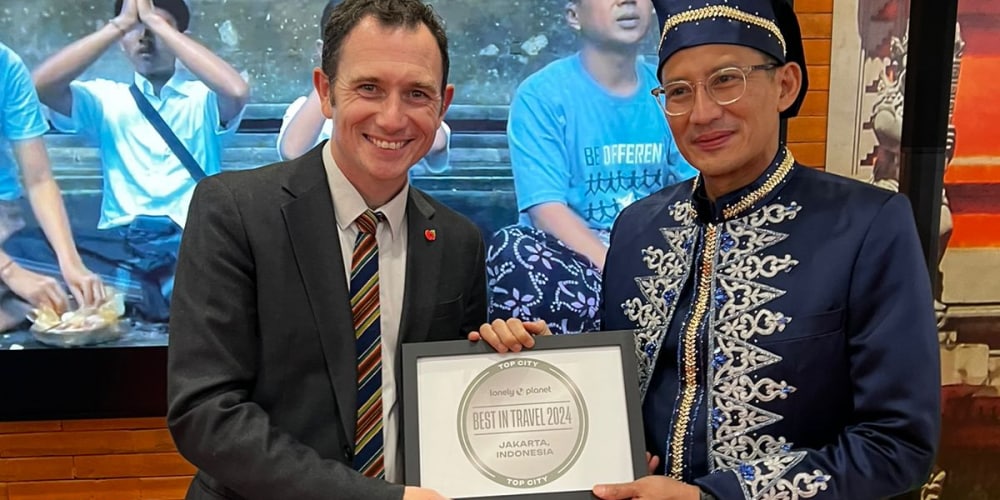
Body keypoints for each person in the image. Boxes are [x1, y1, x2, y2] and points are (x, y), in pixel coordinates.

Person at [472, 0, 941, 498]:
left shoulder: (867, 225)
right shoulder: (638, 229)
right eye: (678, 91)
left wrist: (713, 497)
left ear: (785, 85)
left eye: (726, 80)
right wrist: (540, 363)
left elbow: (898, 443)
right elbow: (618, 400)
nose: (702, 113)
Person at [166, 0, 485, 498]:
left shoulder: (457, 241)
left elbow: (453, 403)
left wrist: (500, 355)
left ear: (442, 105)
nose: (392, 117)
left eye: (417, 93)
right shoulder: (233, 211)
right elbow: (206, 414)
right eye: (369, 88)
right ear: (325, 91)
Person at [26, 0, 249, 322]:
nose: (145, 37)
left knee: (208, 268)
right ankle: (154, 294)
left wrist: (154, 23)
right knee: (26, 248)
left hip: (188, 241)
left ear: (180, 39)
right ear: (121, 42)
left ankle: (148, 295)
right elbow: (40, 86)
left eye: (158, 27)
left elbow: (237, 91)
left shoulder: (203, 99)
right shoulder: (105, 99)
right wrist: (120, 24)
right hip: (122, 246)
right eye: (136, 29)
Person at [486, 0, 696, 335]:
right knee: (513, 247)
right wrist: (617, 271)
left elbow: (696, 190)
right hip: (573, 263)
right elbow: (546, 209)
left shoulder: (672, 90)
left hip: (656, 260)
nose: (628, 1)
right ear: (573, 16)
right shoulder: (541, 96)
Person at [276, 0, 452, 177]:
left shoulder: (407, 105)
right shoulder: (305, 108)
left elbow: (437, 155)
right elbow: (292, 153)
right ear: (323, 52)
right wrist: (332, 71)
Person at [0, 42, 105, 330]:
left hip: (5, 218)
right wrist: (10, 271)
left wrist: (70, 262)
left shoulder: (6, 64)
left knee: (59, 300)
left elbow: (39, 180)